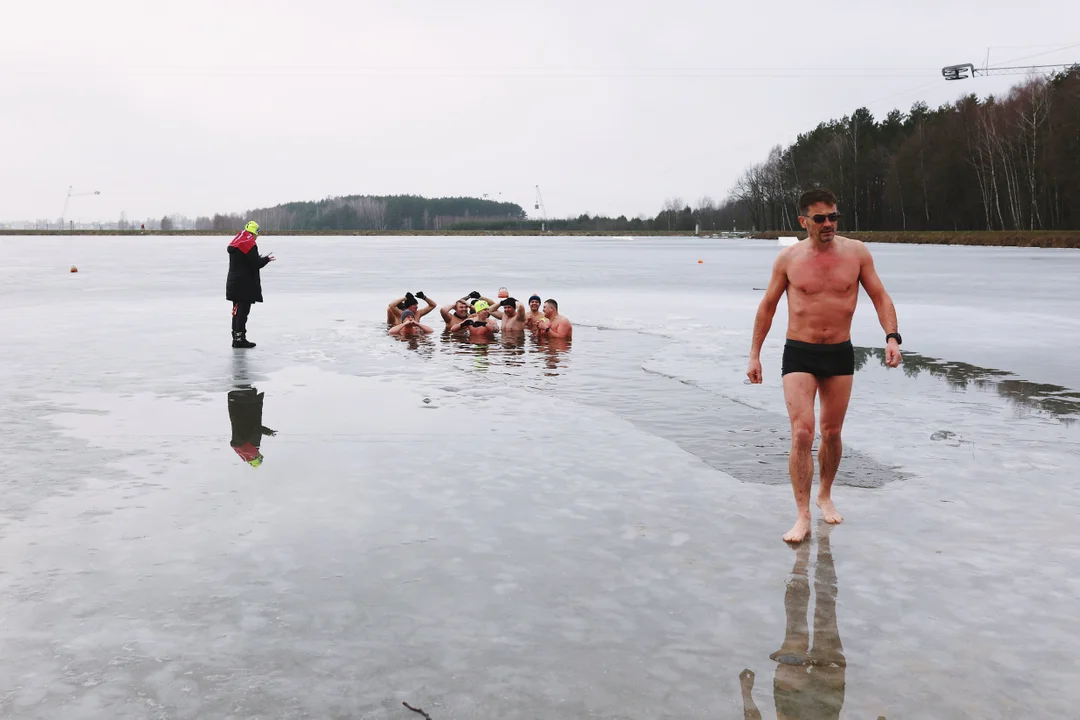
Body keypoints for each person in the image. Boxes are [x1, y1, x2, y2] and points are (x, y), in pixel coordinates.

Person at [747, 188, 902, 543]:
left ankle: (825, 495)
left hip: (839, 353)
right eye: (821, 218)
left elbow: (880, 295)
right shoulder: (788, 260)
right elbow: (767, 307)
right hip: (799, 351)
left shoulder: (857, 254)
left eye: (834, 216)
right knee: (803, 432)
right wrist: (755, 354)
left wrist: (892, 336)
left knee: (831, 433)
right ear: (804, 222)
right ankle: (802, 515)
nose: (829, 223)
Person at [226, 220, 275, 348]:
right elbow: (255, 264)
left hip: (234, 283)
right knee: (242, 313)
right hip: (244, 285)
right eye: (257, 234)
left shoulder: (238, 241)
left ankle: (236, 338)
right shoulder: (249, 243)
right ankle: (240, 339)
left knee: (236, 312)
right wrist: (266, 259)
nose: (257, 237)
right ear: (254, 233)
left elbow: (246, 261)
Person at [228, 386, 276, 467]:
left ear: (255, 457)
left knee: (243, 376)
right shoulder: (239, 446)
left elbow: (256, 428)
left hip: (248, 401)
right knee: (238, 378)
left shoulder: (253, 445)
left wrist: (269, 432)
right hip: (235, 402)